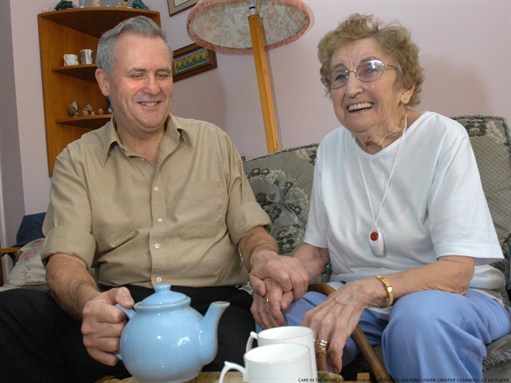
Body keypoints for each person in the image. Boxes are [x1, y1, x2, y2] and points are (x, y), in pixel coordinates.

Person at [0, 16, 280, 382]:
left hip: (210, 305)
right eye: (137, 74)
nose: (153, 87)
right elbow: (65, 260)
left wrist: (265, 259)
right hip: (122, 309)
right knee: (12, 313)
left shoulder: (214, 142)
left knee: (242, 359)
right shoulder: (76, 160)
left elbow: (251, 231)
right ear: (104, 82)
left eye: (162, 74)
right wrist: (91, 305)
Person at [249, 13, 511, 380]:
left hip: (453, 298)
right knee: (287, 324)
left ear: (406, 86)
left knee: (417, 319)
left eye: (369, 69)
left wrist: (367, 290)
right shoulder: (332, 149)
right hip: (362, 301)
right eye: (339, 76)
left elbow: (457, 272)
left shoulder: (443, 138)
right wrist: (281, 280)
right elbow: (317, 252)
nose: (351, 87)